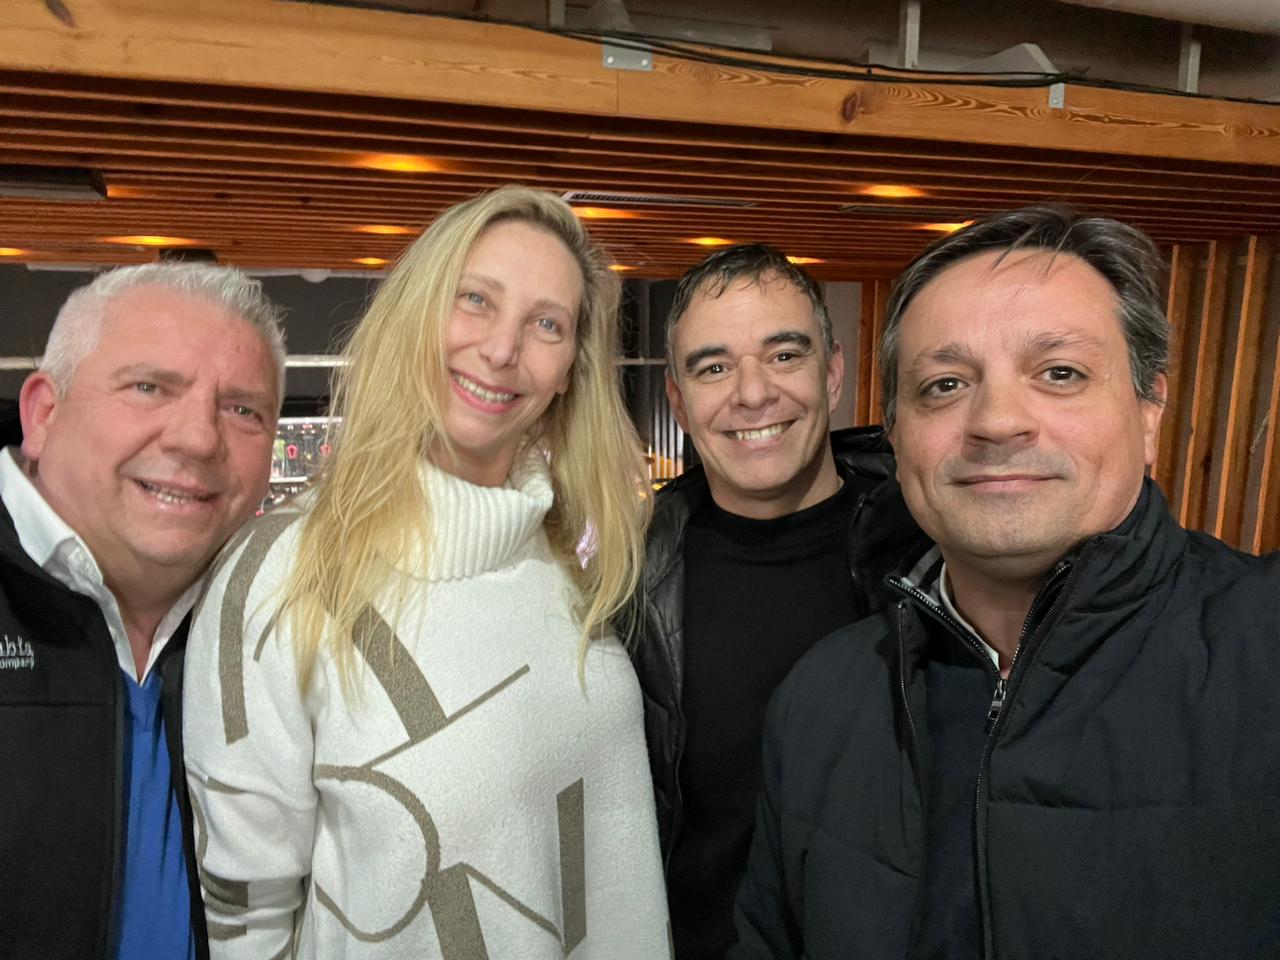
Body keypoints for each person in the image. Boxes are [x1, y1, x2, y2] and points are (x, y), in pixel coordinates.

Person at [731, 207, 1280, 960]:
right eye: (945, 384)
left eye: (1059, 373)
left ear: (1149, 409)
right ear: (895, 434)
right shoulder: (822, 697)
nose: (997, 420)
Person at [183, 186, 670, 959]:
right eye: (475, 300)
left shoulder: (577, 552)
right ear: (417, 314)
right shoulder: (282, 570)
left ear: (569, 371)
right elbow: (246, 912)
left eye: (547, 324)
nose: (502, 348)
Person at [630, 244, 914, 959]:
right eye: (714, 368)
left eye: (784, 355)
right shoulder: (627, 579)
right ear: (678, 400)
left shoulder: (932, 551)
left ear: (833, 371)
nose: (752, 394)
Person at [0, 263, 285, 960]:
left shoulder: (280, 630)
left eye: (243, 410)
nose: (198, 438)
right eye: (149, 387)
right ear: (44, 413)